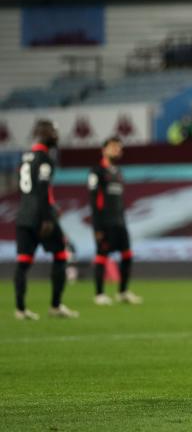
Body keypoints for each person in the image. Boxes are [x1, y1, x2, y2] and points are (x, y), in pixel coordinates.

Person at [13, 120, 77, 320]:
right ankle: (55, 306)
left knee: (23, 262)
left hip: (23, 215)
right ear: (43, 134)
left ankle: (21, 310)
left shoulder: (25, 157)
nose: (56, 136)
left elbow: (26, 188)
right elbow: (42, 189)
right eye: (53, 132)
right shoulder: (44, 159)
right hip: (40, 216)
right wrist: (47, 218)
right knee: (61, 255)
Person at [89, 137, 142, 306]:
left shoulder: (118, 172)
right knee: (101, 256)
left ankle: (123, 292)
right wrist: (97, 226)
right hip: (104, 223)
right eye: (113, 147)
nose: (117, 150)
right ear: (104, 150)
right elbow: (94, 200)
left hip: (119, 221)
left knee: (127, 255)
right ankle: (99, 294)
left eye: (119, 148)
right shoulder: (96, 172)